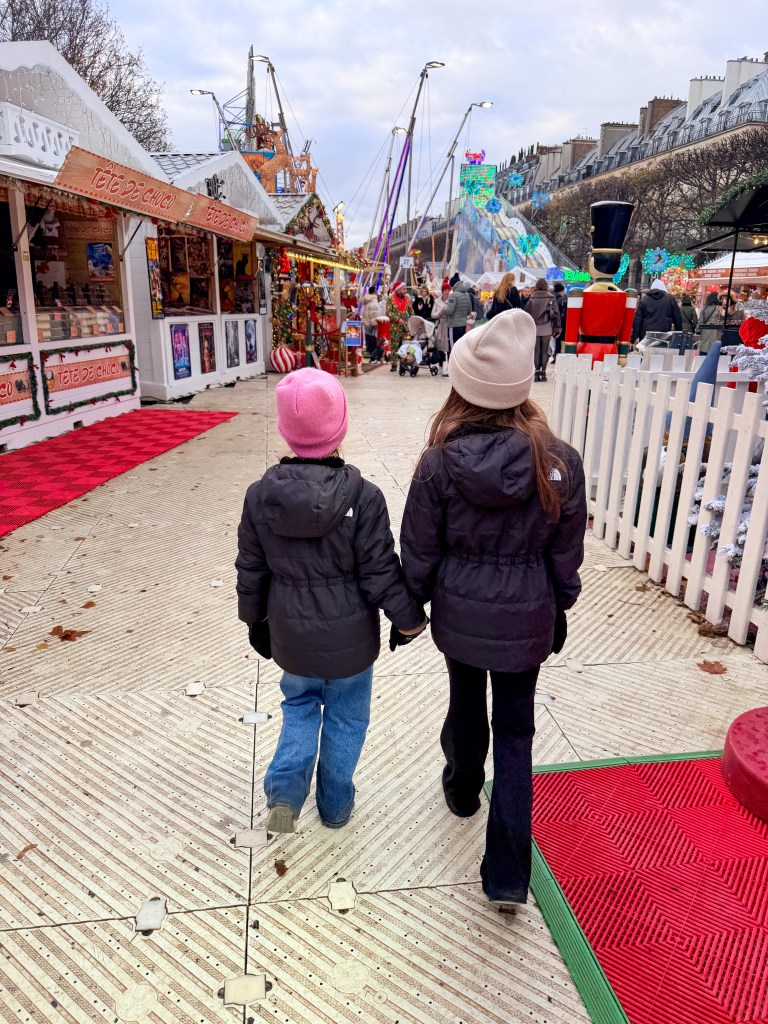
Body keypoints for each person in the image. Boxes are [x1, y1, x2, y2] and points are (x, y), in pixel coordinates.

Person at [399, 309, 586, 906]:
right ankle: (507, 874)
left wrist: (411, 605)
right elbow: (566, 551)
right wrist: (560, 604)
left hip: (460, 615)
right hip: (527, 615)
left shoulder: (438, 463)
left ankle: (461, 787)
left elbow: (419, 549)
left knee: (464, 699)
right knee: (516, 729)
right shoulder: (558, 462)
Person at [235, 368, 426, 833]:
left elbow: (251, 567)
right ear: (339, 428)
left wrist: (254, 619)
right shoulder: (365, 497)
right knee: (347, 717)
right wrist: (408, 620)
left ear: (285, 431)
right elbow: (380, 570)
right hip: (351, 642)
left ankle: (284, 793)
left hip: (291, 636)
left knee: (299, 706)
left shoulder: (260, 497)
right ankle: (336, 803)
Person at [525, 278, 561, 382]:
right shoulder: (551, 298)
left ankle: (536, 374)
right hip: (547, 327)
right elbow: (557, 313)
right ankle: (543, 374)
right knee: (545, 351)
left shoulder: (532, 298)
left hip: (535, 327)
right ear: (546, 286)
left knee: (536, 351)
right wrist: (558, 328)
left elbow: (527, 313)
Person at [631, 278, 682, 343]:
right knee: (661, 349)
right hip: (664, 334)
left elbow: (638, 319)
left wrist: (635, 337)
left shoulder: (644, 300)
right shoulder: (670, 299)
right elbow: (677, 318)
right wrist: (678, 334)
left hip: (646, 335)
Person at [443, 275, 473, 373]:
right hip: (463, 325)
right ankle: (460, 369)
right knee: (460, 348)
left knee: (452, 348)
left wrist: (444, 308)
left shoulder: (454, 295)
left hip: (453, 325)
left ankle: (451, 370)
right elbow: (469, 311)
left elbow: (449, 311)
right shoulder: (467, 294)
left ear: (452, 285)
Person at [387, 282, 413, 372]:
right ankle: (394, 365)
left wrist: (414, 321)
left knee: (406, 345)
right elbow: (388, 312)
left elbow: (411, 311)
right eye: (403, 289)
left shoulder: (407, 299)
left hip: (405, 327)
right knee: (394, 346)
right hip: (395, 327)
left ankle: (404, 364)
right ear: (398, 290)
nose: (405, 291)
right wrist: (397, 319)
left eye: (405, 289)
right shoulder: (391, 298)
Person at [431, 282, 451, 373]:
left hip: (449, 326)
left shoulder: (452, 300)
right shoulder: (437, 302)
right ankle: (440, 366)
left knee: (449, 347)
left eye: (448, 290)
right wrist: (440, 313)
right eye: (445, 290)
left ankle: (449, 367)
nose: (447, 292)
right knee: (440, 347)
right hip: (440, 326)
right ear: (442, 291)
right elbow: (433, 315)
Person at [361, 287, 383, 364]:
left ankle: (369, 356)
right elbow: (375, 314)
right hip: (372, 324)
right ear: (374, 292)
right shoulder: (374, 302)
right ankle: (374, 357)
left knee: (368, 340)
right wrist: (375, 324)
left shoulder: (366, 301)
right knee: (373, 341)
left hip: (366, 323)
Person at [552, 282, 567, 362]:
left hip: (553, 323)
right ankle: (559, 357)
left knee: (556, 341)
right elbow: (564, 314)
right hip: (562, 324)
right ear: (561, 291)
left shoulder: (552, 299)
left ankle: (555, 357)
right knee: (561, 341)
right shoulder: (563, 300)